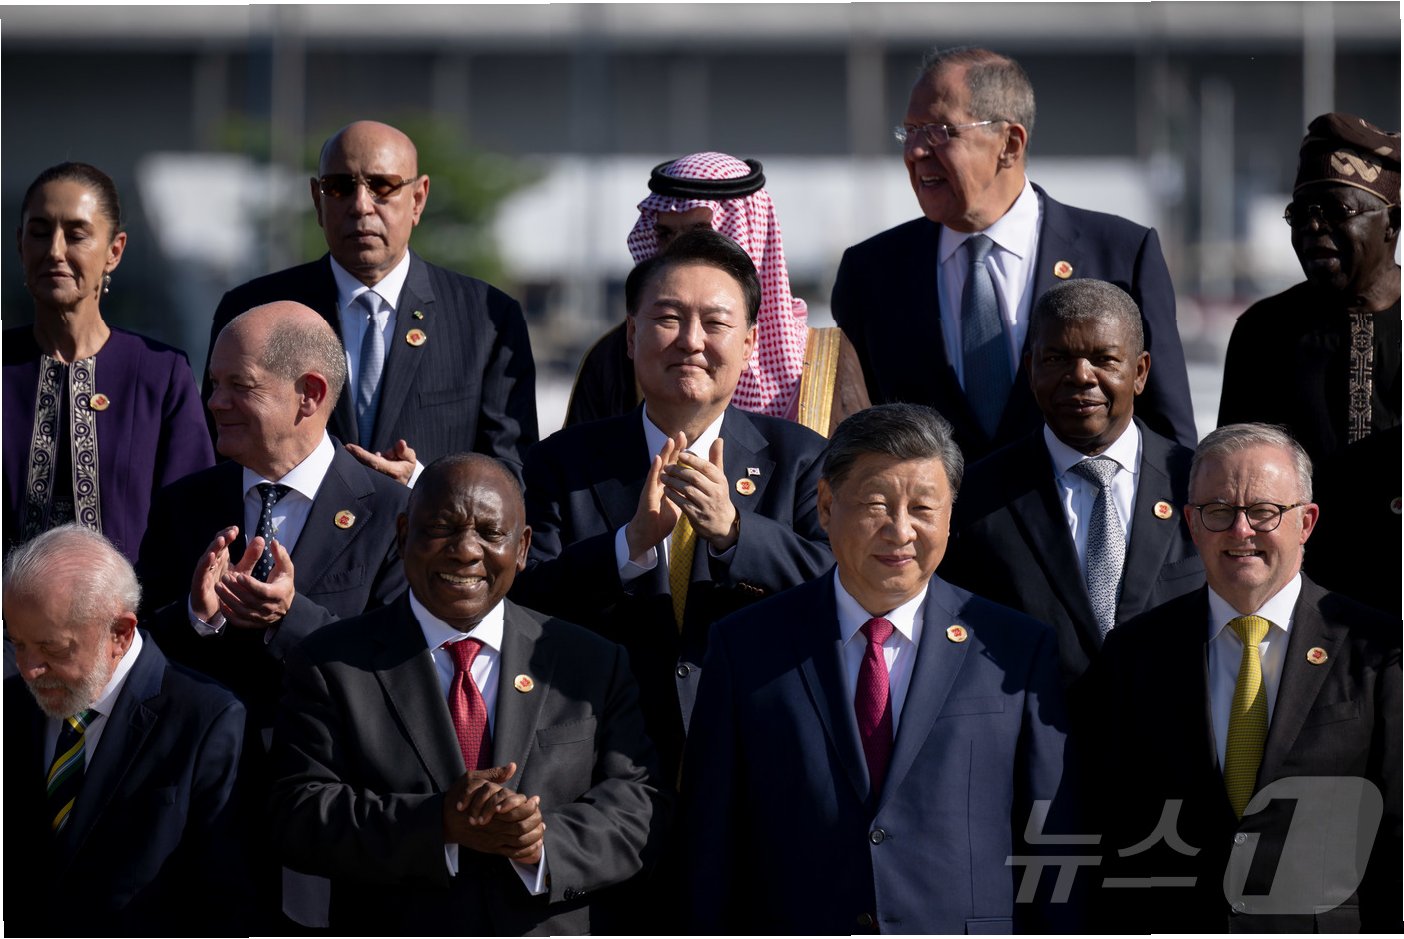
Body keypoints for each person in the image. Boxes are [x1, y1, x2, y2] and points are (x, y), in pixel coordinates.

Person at [682, 403, 1079, 933]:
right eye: (876, 505)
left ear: (950, 514)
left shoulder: (1014, 649)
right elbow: (709, 842)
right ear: (826, 506)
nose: (900, 531)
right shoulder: (747, 647)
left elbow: (1052, 835)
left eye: (923, 508)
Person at [268, 454, 668, 934]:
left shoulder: (589, 663)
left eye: (490, 533)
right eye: (441, 528)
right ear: (403, 535)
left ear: (522, 548)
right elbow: (298, 814)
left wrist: (541, 843)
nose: (465, 551)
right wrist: (438, 824)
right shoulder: (331, 664)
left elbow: (639, 804)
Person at [513, 228, 832, 782]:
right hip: (602, 760)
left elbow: (841, 588)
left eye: (715, 323)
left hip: (758, 752)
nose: (690, 341)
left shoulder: (803, 459)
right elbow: (524, 599)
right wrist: (627, 546)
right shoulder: (562, 463)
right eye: (668, 318)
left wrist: (736, 534)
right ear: (631, 335)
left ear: (750, 344)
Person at [1089, 423, 1400, 932]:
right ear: (1191, 524)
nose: (1240, 531)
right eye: (1218, 511)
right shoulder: (1135, 653)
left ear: (1306, 522)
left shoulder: (1377, 649)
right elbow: (1107, 821)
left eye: (1263, 511)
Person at [831, 46, 1196, 462]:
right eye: (910, 132)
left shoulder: (1120, 255)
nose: (915, 151)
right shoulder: (871, 272)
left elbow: (1169, 440)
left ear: (1010, 143)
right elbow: (853, 444)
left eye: (939, 132)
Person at [205, 119, 538, 481]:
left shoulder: (487, 320)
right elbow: (217, 456)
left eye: (382, 186)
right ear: (317, 200)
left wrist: (421, 485)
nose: (361, 205)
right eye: (339, 187)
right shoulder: (254, 312)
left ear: (418, 199)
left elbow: (512, 475)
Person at [140, 301, 408, 733]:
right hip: (207, 765)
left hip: (327, 763)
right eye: (215, 383)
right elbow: (139, 648)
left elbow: (398, 669)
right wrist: (197, 615)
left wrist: (289, 616)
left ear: (310, 394)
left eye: (240, 385)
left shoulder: (393, 514)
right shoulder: (183, 503)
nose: (215, 402)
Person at [942, 279, 1203, 688]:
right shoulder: (974, 498)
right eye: (1057, 358)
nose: (1081, 376)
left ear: (1139, 372)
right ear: (1030, 370)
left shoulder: (1199, 485)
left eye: (1104, 359)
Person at [3, 525, 250, 934]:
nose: (29, 669)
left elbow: (225, 902)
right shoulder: (10, 706)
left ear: (119, 633)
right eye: (18, 644)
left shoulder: (207, 721)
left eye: (52, 648)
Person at [1217, 112, 1400, 613]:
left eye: (1337, 210)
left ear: (1391, 222)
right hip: (1302, 605)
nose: (1314, 227)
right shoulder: (1264, 332)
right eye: (1300, 214)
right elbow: (1234, 479)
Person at [565, 151, 869, 436]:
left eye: (700, 235)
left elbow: (859, 470)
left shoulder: (826, 362)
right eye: (666, 234)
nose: (680, 251)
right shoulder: (615, 357)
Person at [3, 161, 213, 564]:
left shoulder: (160, 375)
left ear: (114, 251)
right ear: (19, 244)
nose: (55, 251)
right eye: (40, 232)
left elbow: (191, 525)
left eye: (76, 235)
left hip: (134, 605)